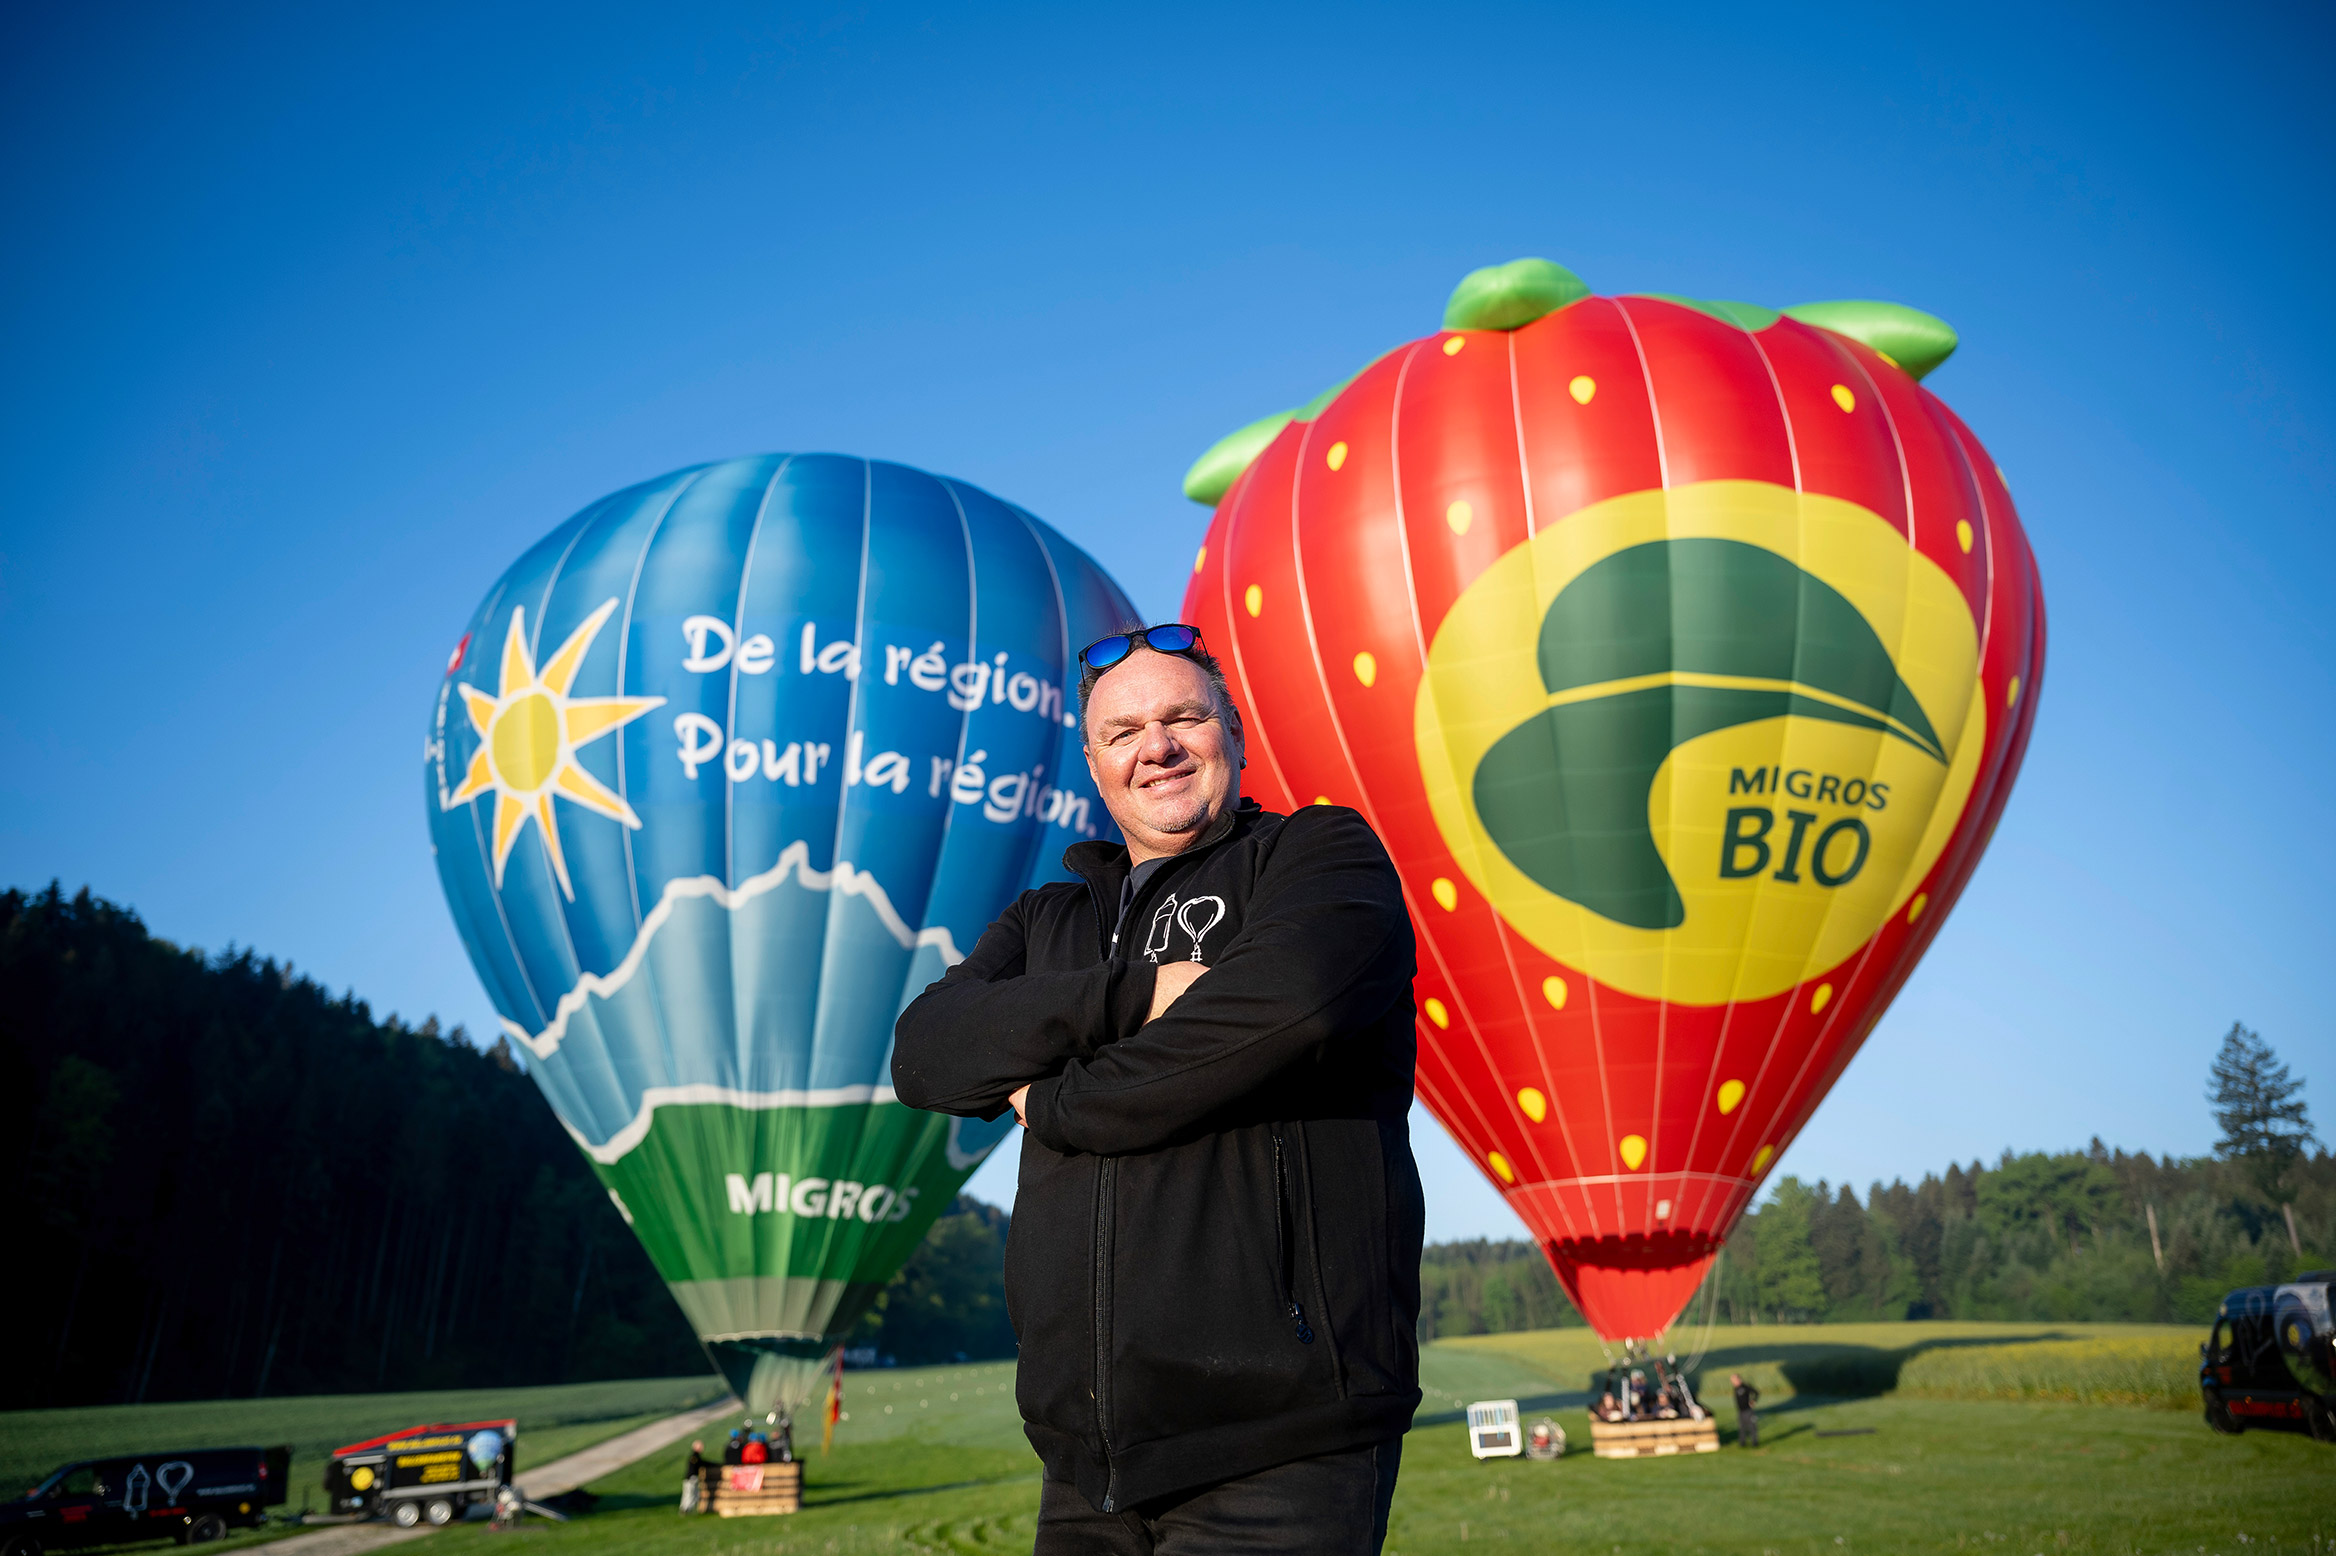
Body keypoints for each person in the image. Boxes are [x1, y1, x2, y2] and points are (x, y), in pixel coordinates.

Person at [893, 623, 1424, 1556]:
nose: (1159, 747)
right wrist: (1137, 993)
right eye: (1125, 731)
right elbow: (927, 1050)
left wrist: (1051, 1098)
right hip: (1084, 1473)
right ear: (1095, 767)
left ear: (1235, 734)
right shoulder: (1046, 918)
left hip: (1282, 1447)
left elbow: (1288, 1009)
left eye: (1185, 716)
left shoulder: (1318, 857)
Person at [1732, 1373, 1761, 1448]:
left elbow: (1756, 1392)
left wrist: (1753, 1400)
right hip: (1740, 1411)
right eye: (1732, 1381)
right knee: (1741, 1428)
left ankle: (1755, 1443)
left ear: (1738, 1379)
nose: (1733, 1382)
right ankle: (1742, 1443)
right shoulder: (1735, 1388)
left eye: (1734, 1380)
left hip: (1748, 1410)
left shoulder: (1745, 1386)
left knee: (1752, 1427)